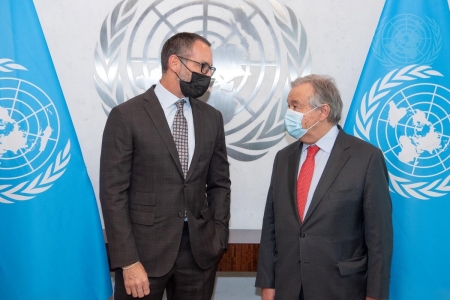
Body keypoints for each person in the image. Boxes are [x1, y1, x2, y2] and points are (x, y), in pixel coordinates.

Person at [100, 32, 231, 300]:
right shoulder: (127, 116)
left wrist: (218, 236)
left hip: (199, 253)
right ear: (174, 63)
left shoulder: (212, 118)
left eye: (210, 68)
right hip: (143, 255)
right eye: (202, 66)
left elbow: (219, 183)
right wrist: (127, 261)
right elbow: (113, 193)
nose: (207, 75)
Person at [255, 75, 393, 300]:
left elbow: (379, 238)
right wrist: (267, 283)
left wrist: (375, 295)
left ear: (323, 111)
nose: (289, 112)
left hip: (341, 288)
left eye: (296, 106)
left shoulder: (366, 158)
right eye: (289, 106)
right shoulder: (284, 158)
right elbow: (271, 225)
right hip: (287, 287)